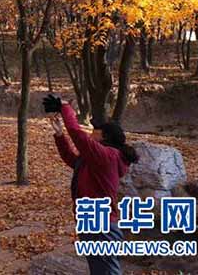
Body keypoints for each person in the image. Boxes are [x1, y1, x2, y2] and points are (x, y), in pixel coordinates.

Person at [43, 94, 139, 275]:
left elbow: (78, 135)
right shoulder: (96, 158)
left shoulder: (108, 156)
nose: (91, 132)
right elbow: (73, 160)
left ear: (104, 136)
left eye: (95, 130)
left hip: (102, 226)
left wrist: (65, 108)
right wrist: (59, 134)